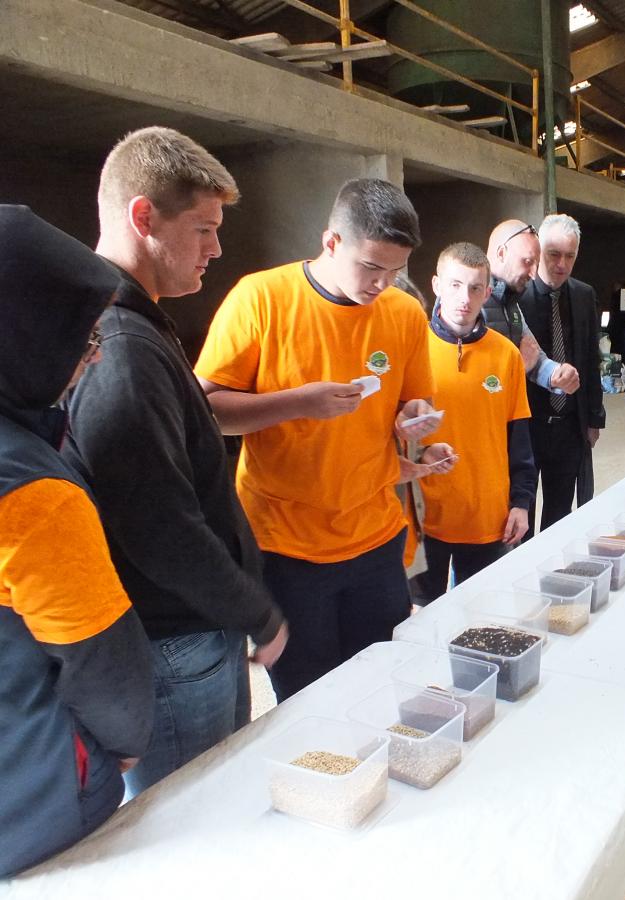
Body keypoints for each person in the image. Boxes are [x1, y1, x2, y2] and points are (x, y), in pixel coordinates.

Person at [64, 128, 286, 796]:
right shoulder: (123, 350)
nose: (216, 248)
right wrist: (257, 610)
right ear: (143, 217)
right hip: (175, 641)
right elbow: (159, 526)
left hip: (186, 631)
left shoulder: (136, 322)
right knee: (199, 811)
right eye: (203, 228)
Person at [195, 178, 439, 702]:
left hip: (375, 538)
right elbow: (205, 410)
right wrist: (297, 402)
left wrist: (415, 418)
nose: (382, 284)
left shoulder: (403, 312)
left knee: (382, 688)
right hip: (286, 548)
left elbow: (412, 401)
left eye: (395, 271)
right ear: (331, 242)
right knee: (309, 701)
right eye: (371, 267)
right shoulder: (262, 298)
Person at [0, 207, 155, 877]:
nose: (94, 356)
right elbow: (105, 663)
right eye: (83, 338)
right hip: (35, 802)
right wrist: (121, 749)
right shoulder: (30, 490)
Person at [414, 243, 535, 596]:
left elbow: (520, 441)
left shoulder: (506, 355)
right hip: (424, 522)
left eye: (474, 288)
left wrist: (521, 503)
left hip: (487, 521)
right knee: (420, 624)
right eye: (454, 285)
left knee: (481, 623)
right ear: (436, 285)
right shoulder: (413, 347)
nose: (464, 298)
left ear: (488, 292)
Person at [517, 214, 604, 533]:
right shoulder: (518, 298)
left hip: (569, 425)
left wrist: (594, 417)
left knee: (560, 513)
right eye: (554, 254)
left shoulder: (583, 295)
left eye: (570, 256)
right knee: (521, 511)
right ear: (539, 250)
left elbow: (591, 358)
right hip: (528, 424)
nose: (562, 264)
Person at [483, 219, 580, 397]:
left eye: (536, 262)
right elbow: (470, 381)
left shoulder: (509, 300)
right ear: (501, 253)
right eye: (527, 262)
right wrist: (520, 368)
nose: (534, 273)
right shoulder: (467, 302)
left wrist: (556, 374)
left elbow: (534, 354)